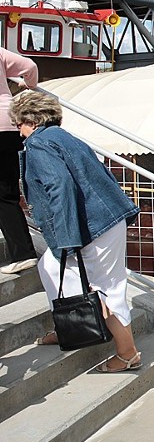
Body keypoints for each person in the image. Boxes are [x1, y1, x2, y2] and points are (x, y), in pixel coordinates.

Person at [10, 91, 142, 372]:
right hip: (103, 221)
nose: (19, 133)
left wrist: (68, 239)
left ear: (31, 120)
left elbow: (60, 187)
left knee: (108, 289)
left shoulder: (40, 144)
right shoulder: (63, 137)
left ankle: (127, 353)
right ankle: (70, 323)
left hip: (93, 226)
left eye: (19, 124)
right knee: (49, 266)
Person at [0, 48, 39, 275]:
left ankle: (23, 254)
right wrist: (30, 86)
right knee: (6, 194)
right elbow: (30, 67)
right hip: (8, 124)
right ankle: (23, 252)